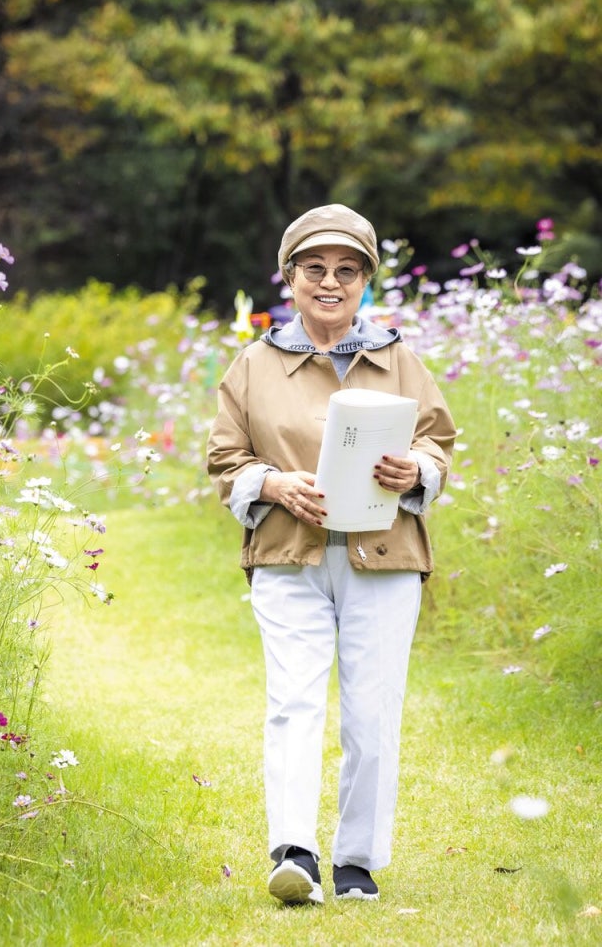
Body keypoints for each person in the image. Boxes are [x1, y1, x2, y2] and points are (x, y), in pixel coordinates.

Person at [206, 204, 456, 905]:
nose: (330, 282)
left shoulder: (400, 358)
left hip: (387, 558)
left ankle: (356, 860)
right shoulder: (253, 364)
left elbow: (439, 442)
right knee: (293, 702)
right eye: (314, 268)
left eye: (347, 271)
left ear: (365, 282)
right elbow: (226, 460)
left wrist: (417, 471)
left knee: (372, 713)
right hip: (289, 557)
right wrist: (274, 483)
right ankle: (295, 852)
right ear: (290, 277)